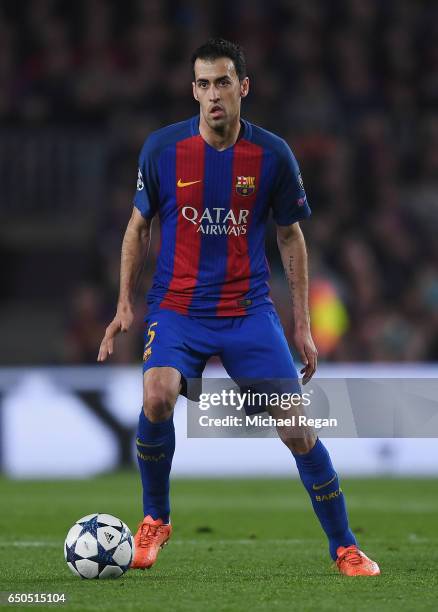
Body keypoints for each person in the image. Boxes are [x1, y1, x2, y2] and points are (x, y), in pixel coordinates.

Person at [97, 38, 380, 577]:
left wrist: (302, 324)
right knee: (156, 395)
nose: (212, 95)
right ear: (194, 91)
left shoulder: (272, 155)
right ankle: (155, 520)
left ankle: (344, 546)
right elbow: (139, 226)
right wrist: (124, 306)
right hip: (177, 307)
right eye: (202, 84)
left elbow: (291, 237)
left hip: (248, 311)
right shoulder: (162, 149)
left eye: (222, 82)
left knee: (297, 427)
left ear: (243, 87)